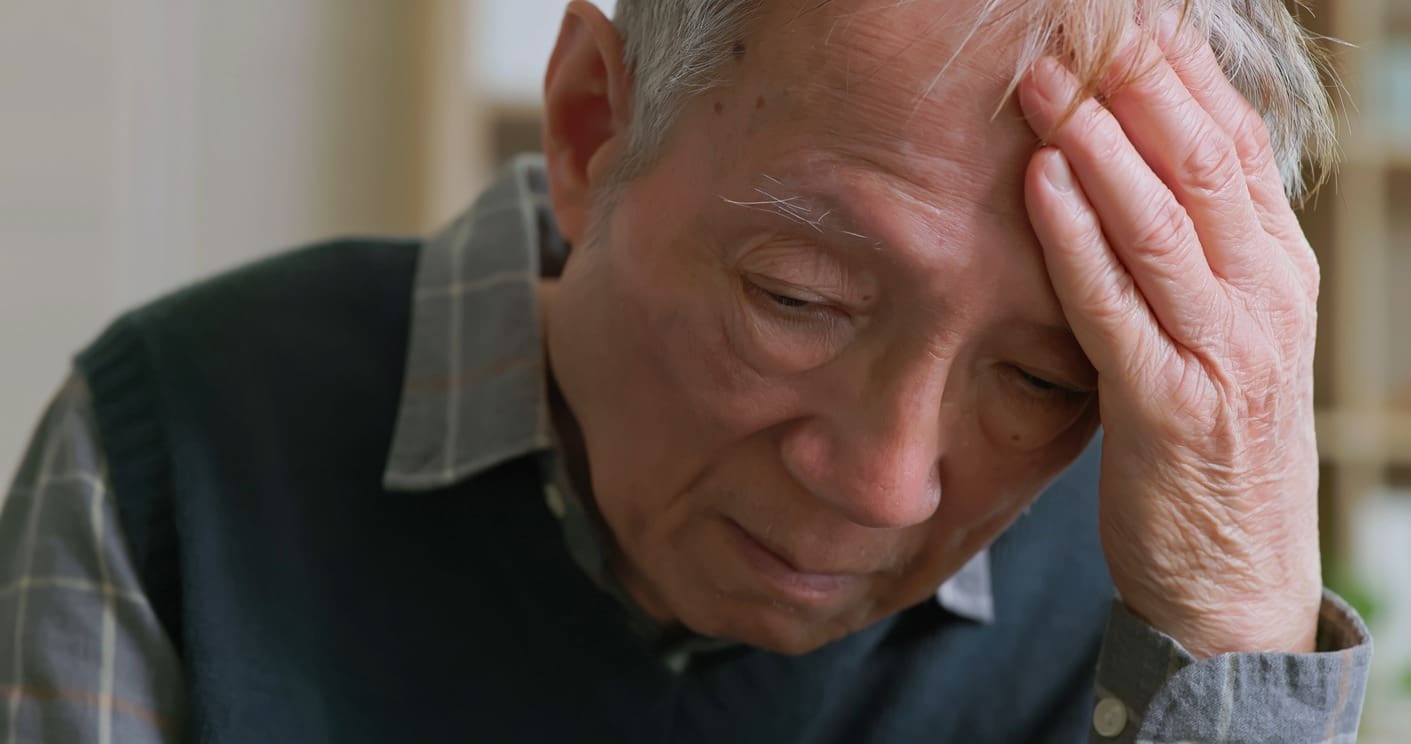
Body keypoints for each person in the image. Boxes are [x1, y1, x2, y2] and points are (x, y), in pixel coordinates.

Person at [0, 0, 1373, 741]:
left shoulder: (1146, 602)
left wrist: (1235, 649)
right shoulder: (178, 450)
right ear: (596, 126)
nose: (892, 485)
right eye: (800, 298)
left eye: (1038, 380)